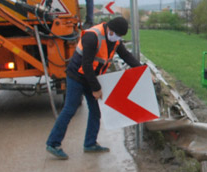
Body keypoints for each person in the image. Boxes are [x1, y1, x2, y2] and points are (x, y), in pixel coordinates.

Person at [46, 17, 141, 160]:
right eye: (117, 35)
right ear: (109, 29)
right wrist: (96, 88)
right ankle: (53, 143)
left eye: (120, 36)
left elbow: (126, 56)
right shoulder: (92, 36)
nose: (118, 38)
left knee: (95, 112)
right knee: (70, 109)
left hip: (91, 78)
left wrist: (143, 70)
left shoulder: (114, 40)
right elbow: (86, 66)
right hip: (76, 77)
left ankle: (90, 144)